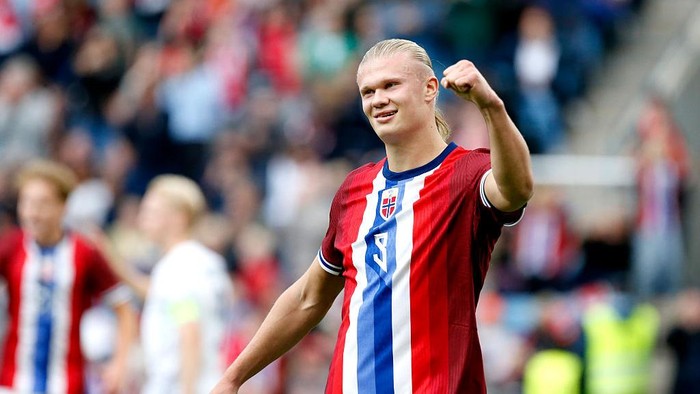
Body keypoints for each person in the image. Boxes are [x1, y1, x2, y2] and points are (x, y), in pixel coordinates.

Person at [212, 38, 533, 393]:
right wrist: (233, 377)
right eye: (368, 91)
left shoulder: (468, 175)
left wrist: (490, 107)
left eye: (391, 85)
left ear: (429, 89)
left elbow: (516, 189)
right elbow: (308, 297)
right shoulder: (355, 189)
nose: (378, 99)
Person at [0, 160, 136, 393]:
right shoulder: (10, 247)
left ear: (63, 206)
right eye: (27, 202)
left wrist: (119, 365)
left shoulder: (85, 253)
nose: (33, 212)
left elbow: (125, 310)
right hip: (14, 381)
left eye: (43, 203)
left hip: (68, 383)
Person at [102, 174, 234, 393]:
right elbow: (162, 296)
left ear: (178, 218)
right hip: (210, 379)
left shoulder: (177, 267)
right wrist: (111, 261)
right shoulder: (206, 262)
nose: (142, 219)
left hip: (180, 385)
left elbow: (189, 327)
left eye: (152, 212)